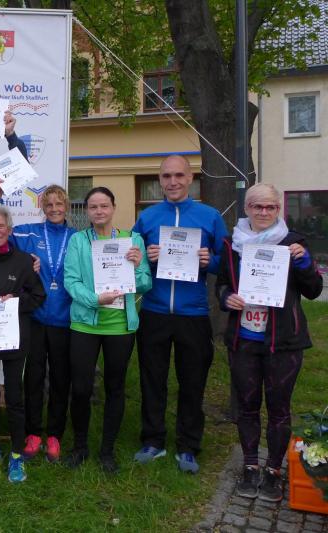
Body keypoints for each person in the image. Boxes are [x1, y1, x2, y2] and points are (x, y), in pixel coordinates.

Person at [216, 183, 322, 501]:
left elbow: (314, 289)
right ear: (246, 208)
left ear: (278, 209)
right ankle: (250, 465)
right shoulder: (232, 243)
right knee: (247, 407)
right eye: (257, 206)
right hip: (244, 340)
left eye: (270, 207)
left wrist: (303, 262)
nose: (263, 212)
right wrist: (226, 298)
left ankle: (274, 470)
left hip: (284, 341)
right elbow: (222, 284)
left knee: (279, 409)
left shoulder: (293, 243)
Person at [132, 154, 228, 474]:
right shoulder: (147, 217)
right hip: (155, 311)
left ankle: (188, 446)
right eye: (166, 176)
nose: (172, 182)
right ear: (160, 180)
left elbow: (227, 261)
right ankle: (153, 441)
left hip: (193, 313)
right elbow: (131, 261)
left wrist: (210, 261)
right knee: (152, 380)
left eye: (178, 175)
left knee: (192, 381)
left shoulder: (209, 216)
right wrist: (145, 257)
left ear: (190, 178)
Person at [63, 187, 152, 474]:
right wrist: (94, 299)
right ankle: (80, 447)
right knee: (80, 388)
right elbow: (71, 281)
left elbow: (146, 283)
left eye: (104, 206)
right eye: (93, 207)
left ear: (113, 208)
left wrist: (137, 266)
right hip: (85, 323)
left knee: (115, 386)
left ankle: (107, 450)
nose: (99, 211)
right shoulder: (78, 241)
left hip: (120, 326)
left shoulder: (132, 240)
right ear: (87, 211)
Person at [0, 180, 77, 463]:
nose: (54, 209)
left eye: (59, 204)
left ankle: (54, 435)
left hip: (66, 319)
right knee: (34, 378)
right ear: (42, 207)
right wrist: (23, 257)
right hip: (36, 318)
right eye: (48, 204)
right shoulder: (29, 232)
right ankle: (33, 433)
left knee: (61, 379)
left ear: (66, 206)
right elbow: (0, 238)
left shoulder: (77, 238)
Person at [0, 203, 46, 482]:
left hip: (14, 340)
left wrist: (17, 301)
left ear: (10, 229)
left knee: (14, 398)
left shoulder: (25, 261)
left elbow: (38, 296)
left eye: (0, 226)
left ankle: (16, 454)